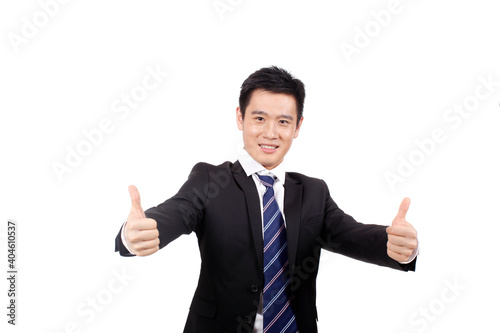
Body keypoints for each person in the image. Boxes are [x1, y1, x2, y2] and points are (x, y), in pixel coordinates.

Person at [115, 66, 419, 333]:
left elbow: (353, 235)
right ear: (240, 118)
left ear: (298, 126)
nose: (270, 133)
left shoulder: (314, 192)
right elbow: (178, 211)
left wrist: (397, 246)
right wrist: (139, 232)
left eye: (283, 122)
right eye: (259, 118)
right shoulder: (210, 180)